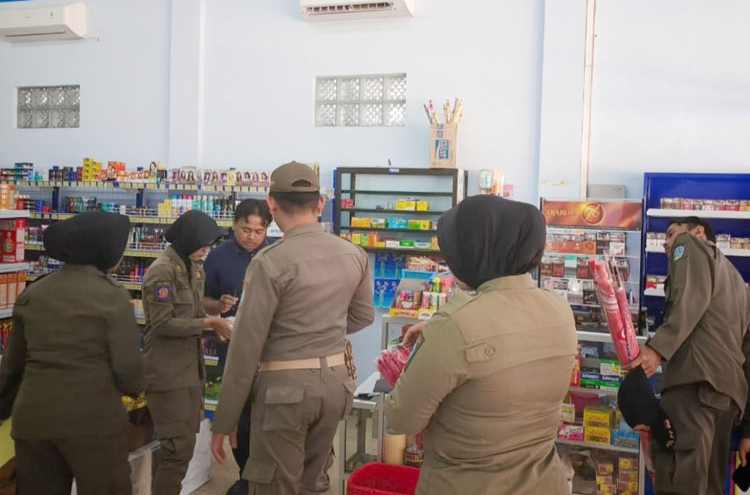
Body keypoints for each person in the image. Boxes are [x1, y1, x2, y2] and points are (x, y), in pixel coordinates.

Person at [385, 195, 578, 495]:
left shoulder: (454, 324)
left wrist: (436, 338)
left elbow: (402, 418)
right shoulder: (559, 309)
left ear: (477, 251)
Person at [211, 161, 374, 495]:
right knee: (314, 480)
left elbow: (245, 347)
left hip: (285, 390)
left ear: (271, 204)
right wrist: (321, 331)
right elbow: (363, 316)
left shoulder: (270, 262)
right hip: (336, 385)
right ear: (320, 204)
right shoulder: (353, 254)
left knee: (273, 483)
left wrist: (225, 420)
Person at [0, 211, 145, 495]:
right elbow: (129, 374)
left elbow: (11, 367)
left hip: (34, 421)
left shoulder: (34, 293)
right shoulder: (112, 296)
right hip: (93, 425)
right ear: (105, 249)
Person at [625, 216, 750, 495]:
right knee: (712, 485)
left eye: (671, 235)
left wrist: (657, 349)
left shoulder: (689, 245)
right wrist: (748, 430)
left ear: (698, 232)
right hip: (727, 400)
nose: (666, 243)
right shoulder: (740, 286)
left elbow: (689, 301)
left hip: (694, 388)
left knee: (680, 481)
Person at [143, 210, 233, 495]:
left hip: (190, 369)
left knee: (185, 445)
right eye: (203, 245)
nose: (206, 251)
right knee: (176, 450)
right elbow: (162, 323)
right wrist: (208, 322)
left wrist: (214, 323)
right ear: (188, 240)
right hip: (168, 373)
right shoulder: (162, 271)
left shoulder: (193, 267)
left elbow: (192, 316)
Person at [203, 199, 273, 495]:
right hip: (230, 346)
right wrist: (218, 306)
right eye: (246, 230)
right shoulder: (217, 256)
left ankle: (263, 476)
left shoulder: (275, 254)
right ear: (234, 225)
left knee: (268, 416)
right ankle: (245, 475)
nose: (252, 237)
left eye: (259, 231)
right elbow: (202, 300)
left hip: (269, 352)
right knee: (236, 416)